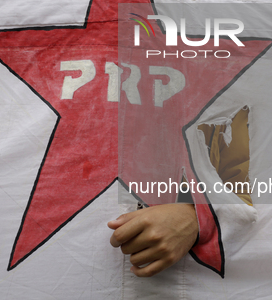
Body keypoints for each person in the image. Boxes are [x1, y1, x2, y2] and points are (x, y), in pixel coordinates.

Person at [108, 107, 252, 277]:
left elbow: (248, 187)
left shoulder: (229, 96)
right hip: (85, 268)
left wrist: (196, 217)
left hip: (190, 277)